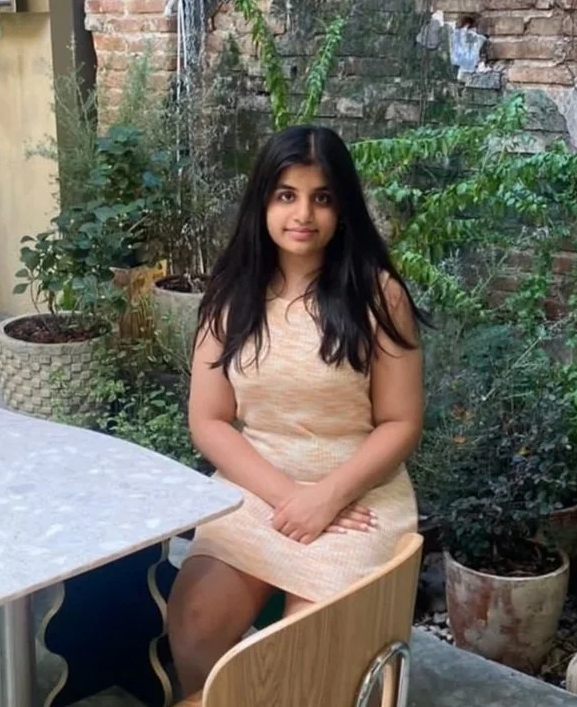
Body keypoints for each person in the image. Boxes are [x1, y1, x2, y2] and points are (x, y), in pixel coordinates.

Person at [167, 125, 425, 696]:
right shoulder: (230, 295)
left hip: (359, 494)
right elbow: (208, 420)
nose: (302, 213)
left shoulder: (378, 295)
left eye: (322, 197)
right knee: (192, 627)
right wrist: (290, 497)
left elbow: (401, 422)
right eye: (286, 194)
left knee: (307, 657)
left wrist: (326, 497)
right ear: (263, 200)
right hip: (257, 485)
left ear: (343, 208)